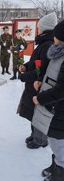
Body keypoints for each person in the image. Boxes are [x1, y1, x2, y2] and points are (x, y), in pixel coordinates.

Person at [17, 12, 57, 149]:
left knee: (39, 113)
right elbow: (36, 63)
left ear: (45, 29)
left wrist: (24, 76)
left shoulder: (47, 44)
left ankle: (40, 140)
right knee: (32, 112)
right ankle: (35, 135)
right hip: (33, 86)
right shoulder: (43, 43)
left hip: (38, 86)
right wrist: (26, 66)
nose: (37, 29)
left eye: (39, 27)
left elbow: (41, 70)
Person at [32, 20, 64, 181]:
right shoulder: (59, 51)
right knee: (54, 138)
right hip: (55, 107)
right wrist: (40, 80)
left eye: (57, 36)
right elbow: (52, 75)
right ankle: (56, 165)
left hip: (59, 108)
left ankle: (60, 172)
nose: (54, 38)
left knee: (58, 140)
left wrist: (40, 98)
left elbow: (61, 89)